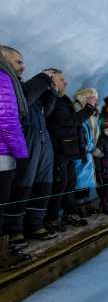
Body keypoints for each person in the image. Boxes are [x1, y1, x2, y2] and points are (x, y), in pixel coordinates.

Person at [1, 45, 60, 245]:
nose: (23, 66)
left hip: (40, 143)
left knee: (42, 184)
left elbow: (44, 112)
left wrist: (50, 92)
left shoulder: (20, 87)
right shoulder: (12, 86)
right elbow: (15, 110)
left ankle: (35, 223)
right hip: (22, 145)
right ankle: (13, 229)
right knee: (21, 186)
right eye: (18, 61)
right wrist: (43, 79)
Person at [45, 74, 96, 231]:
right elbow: (69, 121)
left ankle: (69, 212)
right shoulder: (52, 98)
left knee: (69, 184)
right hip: (59, 149)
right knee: (60, 185)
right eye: (62, 80)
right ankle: (52, 218)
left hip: (68, 150)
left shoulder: (63, 99)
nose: (66, 82)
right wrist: (88, 108)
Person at [0, 48, 31, 270]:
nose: (22, 66)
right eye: (18, 61)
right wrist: (21, 155)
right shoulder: (2, 78)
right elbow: (8, 120)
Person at [72, 88, 100, 218]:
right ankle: (80, 207)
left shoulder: (91, 114)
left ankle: (86, 204)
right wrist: (92, 148)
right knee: (80, 181)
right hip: (80, 152)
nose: (94, 100)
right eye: (91, 97)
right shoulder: (77, 111)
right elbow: (81, 134)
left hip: (87, 152)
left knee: (86, 180)